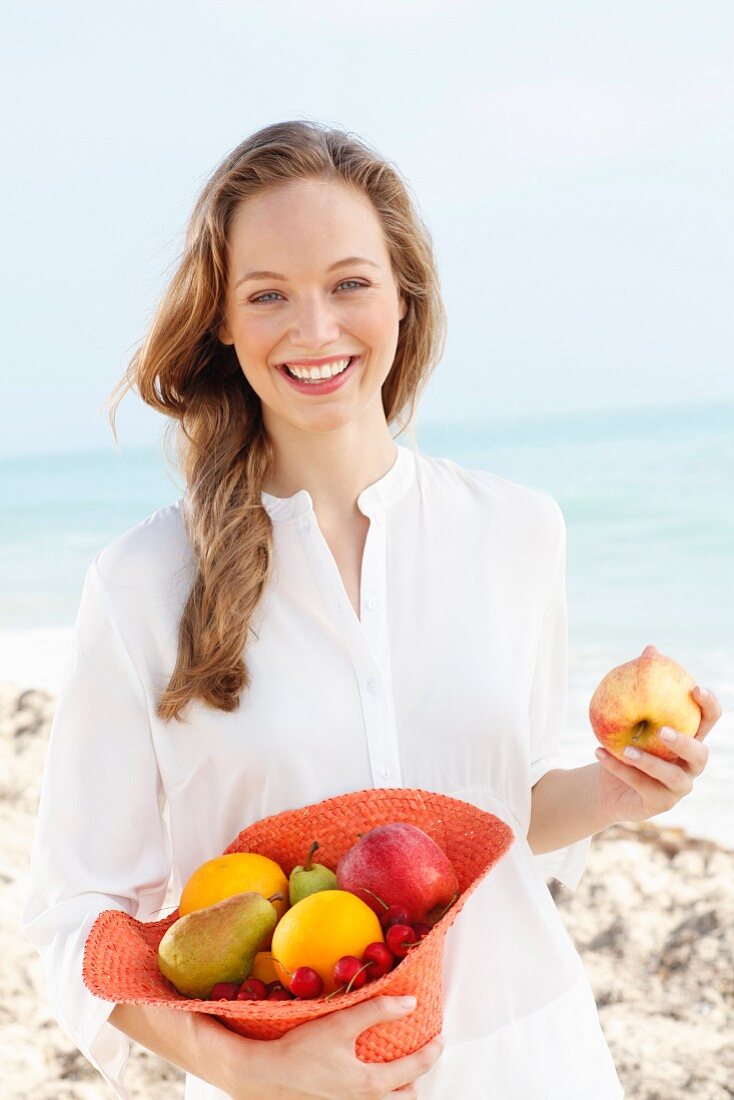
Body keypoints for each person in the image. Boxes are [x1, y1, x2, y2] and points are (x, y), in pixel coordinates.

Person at [22, 118, 659, 1099]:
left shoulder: (518, 532)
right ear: (222, 322)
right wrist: (244, 1066)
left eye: (348, 283)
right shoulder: (143, 582)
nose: (313, 329)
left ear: (404, 297)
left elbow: (503, 803)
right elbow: (78, 907)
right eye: (267, 293)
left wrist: (616, 791)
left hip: (527, 1062)